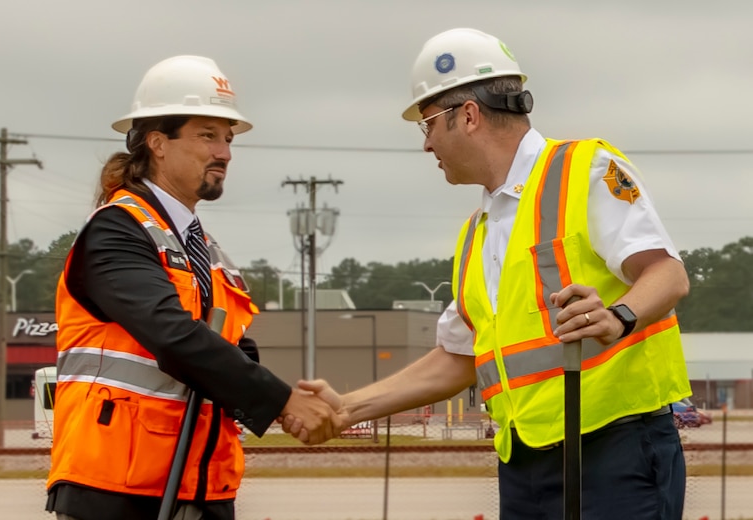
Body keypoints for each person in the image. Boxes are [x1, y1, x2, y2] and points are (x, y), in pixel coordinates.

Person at [285, 28, 692, 519]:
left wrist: (619, 315)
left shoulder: (585, 170)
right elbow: (457, 359)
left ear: (469, 116)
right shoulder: (477, 234)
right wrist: (346, 408)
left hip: (615, 447)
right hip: (525, 464)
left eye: (428, 125)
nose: (427, 144)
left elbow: (667, 274)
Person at [46, 55, 340, 520]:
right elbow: (174, 336)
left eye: (227, 139)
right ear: (158, 143)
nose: (224, 152)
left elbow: (231, 349)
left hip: (198, 483)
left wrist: (267, 386)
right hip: (118, 486)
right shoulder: (117, 231)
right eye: (207, 135)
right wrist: (283, 402)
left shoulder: (201, 245)